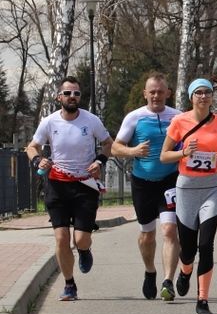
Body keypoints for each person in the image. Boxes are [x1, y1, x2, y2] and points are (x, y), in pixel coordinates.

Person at [26, 76, 113, 301]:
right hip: (57, 185)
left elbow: (108, 143)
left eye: (76, 94)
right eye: (67, 93)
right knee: (61, 238)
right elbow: (32, 147)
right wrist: (38, 161)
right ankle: (69, 284)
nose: (72, 97)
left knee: (81, 239)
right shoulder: (49, 122)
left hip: (84, 185)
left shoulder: (91, 120)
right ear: (59, 97)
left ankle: (84, 250)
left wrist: (99, 161)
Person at [159, 77, 217, 314]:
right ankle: (185, 271)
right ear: (191, 97)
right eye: (199, 93)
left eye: (207, 93)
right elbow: (164, 156)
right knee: (189, 248)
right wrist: (184, 152)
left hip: (212, 188)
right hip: (186, 188)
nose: (203, 97)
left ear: (212, 96)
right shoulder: (179, 122)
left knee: (206, 245)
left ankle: (202, 300)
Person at [112, 72, 181, 300]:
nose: (156, 96)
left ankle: (167, 281)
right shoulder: (134, 117)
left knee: (170, 230)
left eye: (160, 92)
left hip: (170, 181)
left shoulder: (178, 117)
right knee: (147, 235)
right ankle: (150, 271)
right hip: (142, 183)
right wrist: (133, 151)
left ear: (168, 93)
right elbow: (115, 148)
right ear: (145, 93)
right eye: (152, 92)